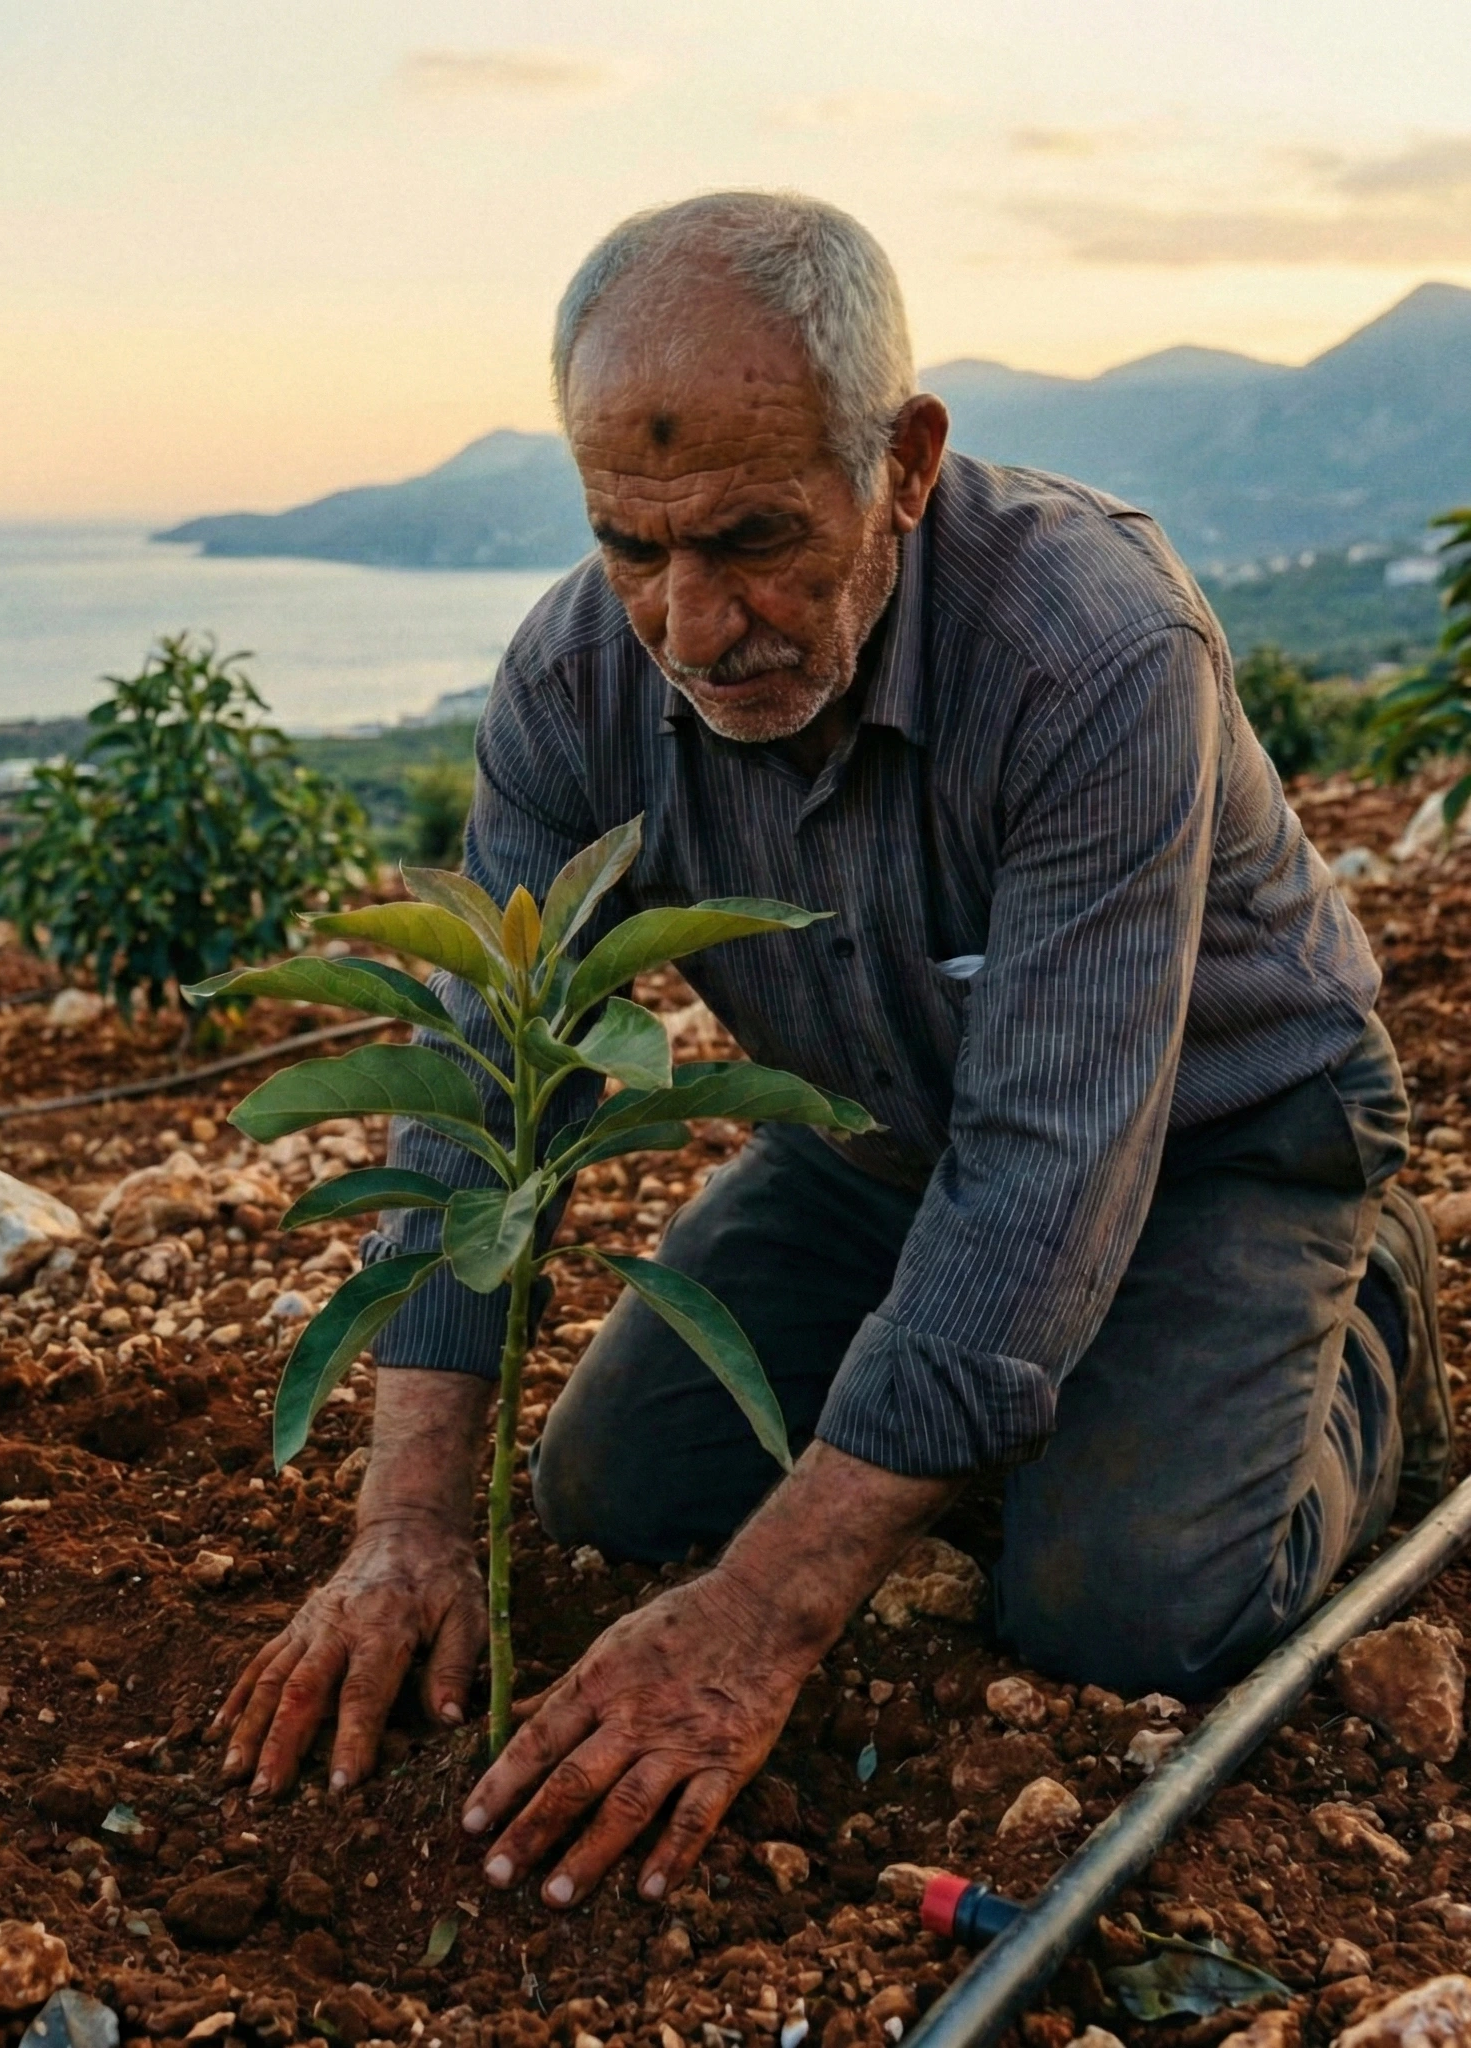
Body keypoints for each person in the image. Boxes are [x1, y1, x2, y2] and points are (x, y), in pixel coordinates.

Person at [211, 190, 1447, 1914]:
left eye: (756, 537)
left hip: (1219, 1142)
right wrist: (408, 1522)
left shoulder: (1092, 649)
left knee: (1125, 1617)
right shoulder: (576, 680)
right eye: (635, 548)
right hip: (884, 1138)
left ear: (909, 461)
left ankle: (1365, 1312)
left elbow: (1050, 1165)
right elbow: (480, 1095)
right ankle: (1011, 1398)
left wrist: (758, 1624)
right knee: (617, 1487)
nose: (695, 627)